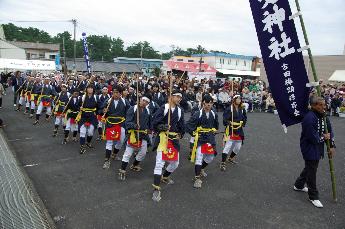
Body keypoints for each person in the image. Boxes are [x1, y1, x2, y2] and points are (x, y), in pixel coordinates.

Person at [294, 96, 335, 208]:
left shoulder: (324, 116)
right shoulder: (309, 118)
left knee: (310, 167)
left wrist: (331, 145)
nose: (323, 107)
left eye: (324, 104)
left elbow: (330, 131)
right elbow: (313, 138)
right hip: (309, 147)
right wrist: (324, 137)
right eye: (320, 105)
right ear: (313, 106)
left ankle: (298, 185)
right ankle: (313, 196)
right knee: (312, 170)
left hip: (319, 146)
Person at [151, 89, 185, 202]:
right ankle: (156, 189)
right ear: (171, 97)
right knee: (159, 163)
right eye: (177, 97)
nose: (179, 99)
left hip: (174, 139)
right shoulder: (164, 108)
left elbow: (181, 124)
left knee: (175, 163)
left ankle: (164, 176)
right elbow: (154, 122)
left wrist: (181, 133)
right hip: (163, 138)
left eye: (180, 97)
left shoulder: (180, 111)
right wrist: (162, 126)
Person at [186, 94, 218, 188]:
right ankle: (197, 178)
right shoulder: (198, 114)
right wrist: (194, 133)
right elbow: (188, 125)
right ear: (203, 103)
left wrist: (214, 130)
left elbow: (215, 125)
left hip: (210, 138)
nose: (209, 105)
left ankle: (201, 169)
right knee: (199, 157)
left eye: (211, 103)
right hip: (200, 138)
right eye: (207, 103)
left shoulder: (213, 113)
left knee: (210, 157)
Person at [118, 95, 152, 180]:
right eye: (143, 100)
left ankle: (135, 164)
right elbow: (127, 122)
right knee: (128, 153)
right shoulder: (132, 109)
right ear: (140, 100)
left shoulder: (148, 111)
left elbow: (150, 123)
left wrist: (150, 129)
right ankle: (122, 170)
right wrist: (134, 125)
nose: (144, 102)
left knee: (143, 152)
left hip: (143, 135)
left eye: (146, 102)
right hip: (133, 134)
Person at [102, 85, 130, 169]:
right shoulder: (108, 101)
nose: (115, 94)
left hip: (121, 123)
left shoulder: (125, 102)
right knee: (109, 142)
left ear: (120, 93)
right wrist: (104, 110)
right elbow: (100, 110)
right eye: (114, 92)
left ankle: (114, 154)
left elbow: (129, 112)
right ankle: (107, 160)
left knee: (121, 140)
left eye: (117, 92)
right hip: (110, 123)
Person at [221, 95, 247, 171]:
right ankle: (223, 163)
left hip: (239, 130)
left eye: (240, 99)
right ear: (234, 100)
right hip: (230, 130)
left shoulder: (242, 109)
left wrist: (243, 123)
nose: (239, 100)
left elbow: (245, 117)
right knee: (227, 146)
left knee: (238, 147)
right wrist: (229, 123)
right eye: (238, 98)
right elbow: (225, 119)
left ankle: (230, 158)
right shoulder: (229, 109)